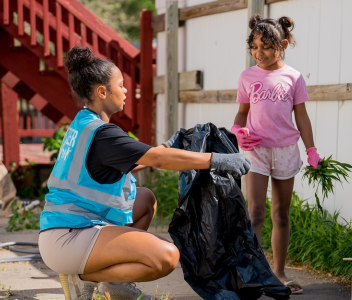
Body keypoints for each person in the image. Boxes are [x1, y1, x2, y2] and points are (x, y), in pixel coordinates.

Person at [38, 46, 251, 300]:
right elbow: (158, 160)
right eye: (121, 85)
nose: (126, 90)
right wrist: (217, 160)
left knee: (145, 199)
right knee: (166, 257)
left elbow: (138, 159)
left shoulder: (86, 123)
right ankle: (86, 276)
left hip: (65, 228)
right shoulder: (104, 134)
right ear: (102, 91)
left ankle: (113, 284)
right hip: (70, 236)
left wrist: (165, 148)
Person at [231, 15, 322, 295]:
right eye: (254, 47)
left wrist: (311, 150)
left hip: (285, 151)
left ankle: (279, 272)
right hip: (255, 152)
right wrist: (238, 130)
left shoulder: (293, 77)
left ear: (282, 45)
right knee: (255, 213)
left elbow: (302, 117)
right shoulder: (247, 77)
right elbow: (243, 113)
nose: (259, 53)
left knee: (281, 214)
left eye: (266, 47)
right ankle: (255, 273)